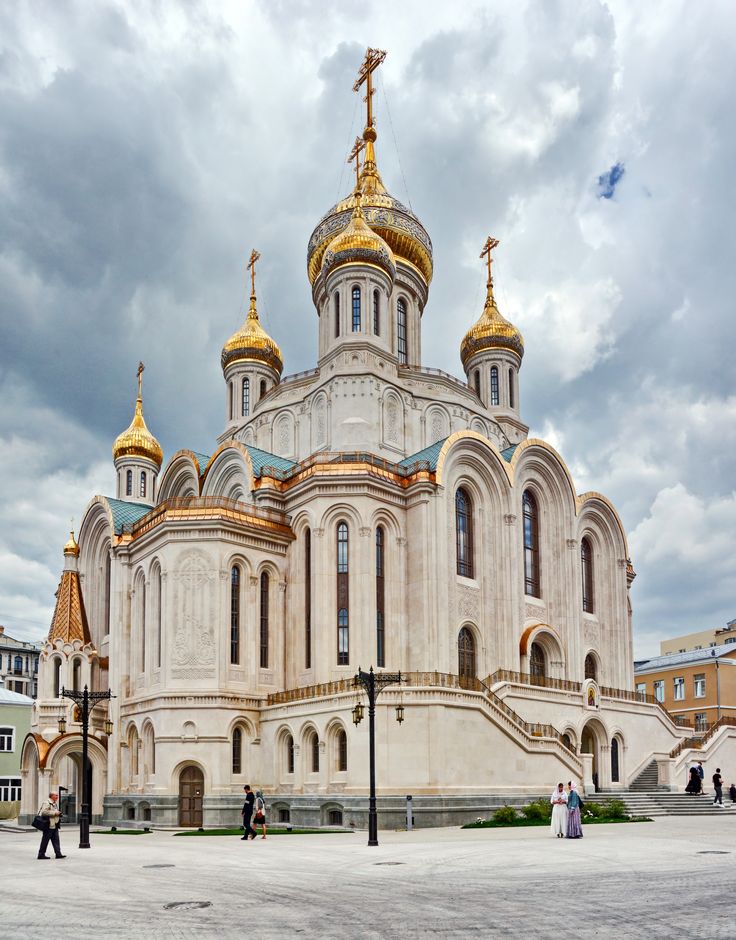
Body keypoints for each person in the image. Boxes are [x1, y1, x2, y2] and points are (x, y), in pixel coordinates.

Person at [37, 791, 65, 860]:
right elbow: (44, 812)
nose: (57, 797)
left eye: (57, 795)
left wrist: (58, 813)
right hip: (48, 825)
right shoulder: (47, 802)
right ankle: (41, 854)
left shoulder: (54, 803)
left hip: (54, 825)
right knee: (45, 840)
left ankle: (58, 854)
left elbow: (53, 812)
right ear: (52, 796)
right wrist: (55, 813)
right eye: (56, 795)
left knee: (56, 840)